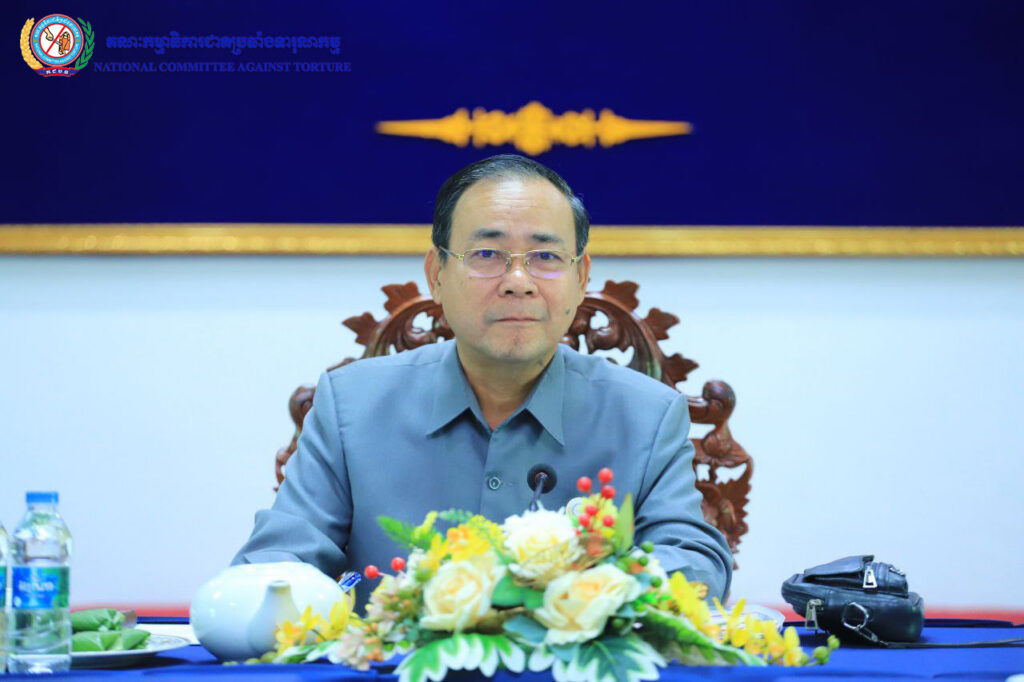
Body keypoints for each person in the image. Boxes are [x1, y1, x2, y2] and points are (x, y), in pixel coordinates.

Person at [233, 155, 732, 606]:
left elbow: (694, 565)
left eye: (546, 257)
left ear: (581, 278)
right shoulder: (350, 405)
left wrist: (578, 593)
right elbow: (276, 564)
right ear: (436, 274)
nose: (518, 281)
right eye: (488, 255)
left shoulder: (648, 416)